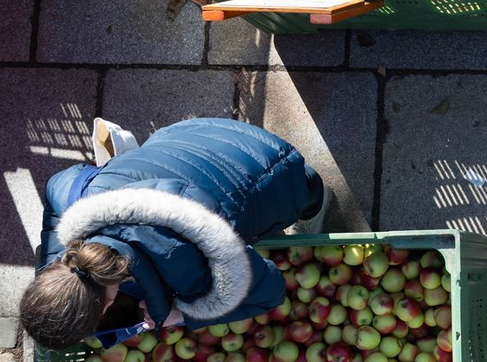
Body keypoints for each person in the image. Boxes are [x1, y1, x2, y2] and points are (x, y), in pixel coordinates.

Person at [20, 118, 329, 350]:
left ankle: (313, 193)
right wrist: (59, 280)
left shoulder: (189, 270)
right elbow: (58, 187)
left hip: (268, 163)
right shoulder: (70, 199)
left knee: (302, 190)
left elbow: (271, 291)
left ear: (105, 307)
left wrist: (182, 314)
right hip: (190, 134)